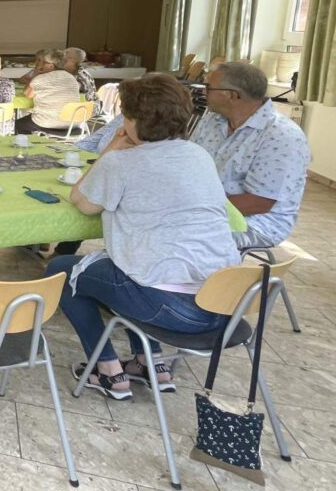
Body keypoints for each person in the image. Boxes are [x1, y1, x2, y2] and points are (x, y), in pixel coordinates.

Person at [46, 74, 242, 399]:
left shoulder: (122, 162)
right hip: (225, 303)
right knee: (128, 266)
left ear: (134, 119)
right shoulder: (198, 155)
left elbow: (81, 200)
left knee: (63, 271)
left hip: (173, 308)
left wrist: (110, 150)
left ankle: (108, 370)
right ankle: (150, 362)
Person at [191, 61, 310, 250]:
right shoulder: (212, 121)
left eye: (209, 87)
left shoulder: (281, 135)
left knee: (176, 234)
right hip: (206, 208)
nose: (204, 92)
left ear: (232, 95)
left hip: (255, 222)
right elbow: (190, 165)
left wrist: (193, 212)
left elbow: (259, 202)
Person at [52, 114, 126, 257]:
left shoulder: (135, 150)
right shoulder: (121, 119)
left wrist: (110, 149)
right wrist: (61, 151)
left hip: (135, 265)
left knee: (83, 202)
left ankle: (63, 251)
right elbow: (90, 142)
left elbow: (82, 202)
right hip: (98, 168)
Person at [15, 50, 80, 134]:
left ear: (51, 66)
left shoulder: (41, 78)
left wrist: (35, 73)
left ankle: (26, 145)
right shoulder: (71, 77)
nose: (41, 65)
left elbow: (27, 94)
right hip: (72, 123)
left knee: (19, 124)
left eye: (44, 62)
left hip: (47, 122)